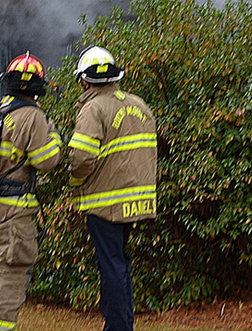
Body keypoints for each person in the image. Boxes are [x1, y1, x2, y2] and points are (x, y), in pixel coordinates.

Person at [0, 52, 63, 331]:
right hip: (12, 211)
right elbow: (47, 161)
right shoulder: (33, 116)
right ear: (40, 86)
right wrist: (54, 135)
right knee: (11, 273)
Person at [68, 46, 157, 331]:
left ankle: (118, 327)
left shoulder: (93, 108)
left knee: (111, 268)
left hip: (105, 204)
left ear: (85, 81)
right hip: (136, 200)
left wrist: (75, 183)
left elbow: (81, 158)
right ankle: (121, 325)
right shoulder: (139, 104)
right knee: (120, 264)